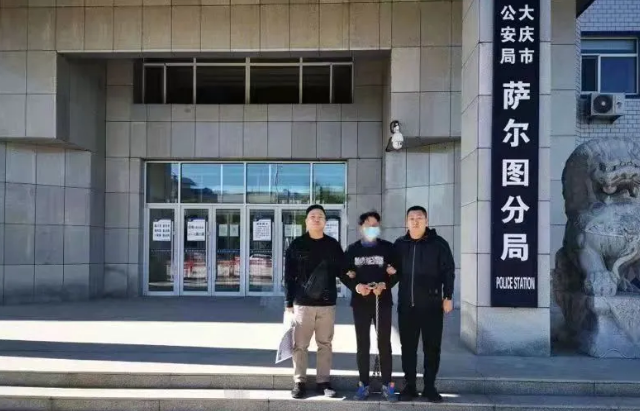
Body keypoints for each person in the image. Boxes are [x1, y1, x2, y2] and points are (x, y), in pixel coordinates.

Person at [284, 204, 352, 399]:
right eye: (312, 216)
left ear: (325, 221)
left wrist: (356, 281)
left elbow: (343, 270)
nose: (316, 219)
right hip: (302, 304)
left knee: (325, 344)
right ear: (306, 221)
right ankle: (299, 382)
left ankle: (324, 382)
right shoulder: (297, 245)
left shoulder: (332, 245)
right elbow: (289, 276)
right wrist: (288, 302)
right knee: (300, 345)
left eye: (320, 216)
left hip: (327, 304)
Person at [391, 205, 455, 402]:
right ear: (406, 222)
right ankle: (410, 386)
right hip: (406, 306)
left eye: (419, 218)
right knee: (408, 348)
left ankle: (429, 387)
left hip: (432, 306)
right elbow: (393, 271)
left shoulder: (439, 244)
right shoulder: (400, 244)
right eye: (412, 218)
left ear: (426, 221)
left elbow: (448, 271)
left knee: (432, 348)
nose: (415, 221)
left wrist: (448, 296)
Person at [344, 211, 399, 402]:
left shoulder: (388, 248)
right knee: (362, 343)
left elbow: (397, 272)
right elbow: (344, 273)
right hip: (360, 303)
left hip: (382, 302)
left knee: (384, 342)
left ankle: (387, 384)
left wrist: (385, 284)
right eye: (368, 225)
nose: (372, 228)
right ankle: (363, 384)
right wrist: (357, 286)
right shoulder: (352, 250)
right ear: (361, 228)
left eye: (375, 225)